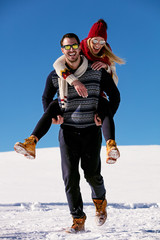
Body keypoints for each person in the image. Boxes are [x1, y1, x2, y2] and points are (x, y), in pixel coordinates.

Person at [14, 19, 124, 164]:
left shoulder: (107, 56)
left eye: (102, 42)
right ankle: (31, 142)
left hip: (94, 95)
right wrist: (74, 80)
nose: (98, 45)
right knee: (54, 104)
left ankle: (111, 145)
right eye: (95, 41)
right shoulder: (79, 48)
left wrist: (106, 67)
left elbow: (114, 85)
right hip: (70, 94)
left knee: (103, 104)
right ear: (89, 39)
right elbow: (58, 64)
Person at [42, 33, 120, 232]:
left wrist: (103, 116)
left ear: (80, 47)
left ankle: (100, 202)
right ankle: (78, 220)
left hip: (90, 132)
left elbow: (115, 96)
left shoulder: (96, 72)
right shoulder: (55, 75)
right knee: (70, 177)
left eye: (74, 46)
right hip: (67, 132)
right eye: (67, 47)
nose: (71, 50)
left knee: (92, 175)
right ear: (62, 50)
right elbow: (46, 98)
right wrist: (52, 117)